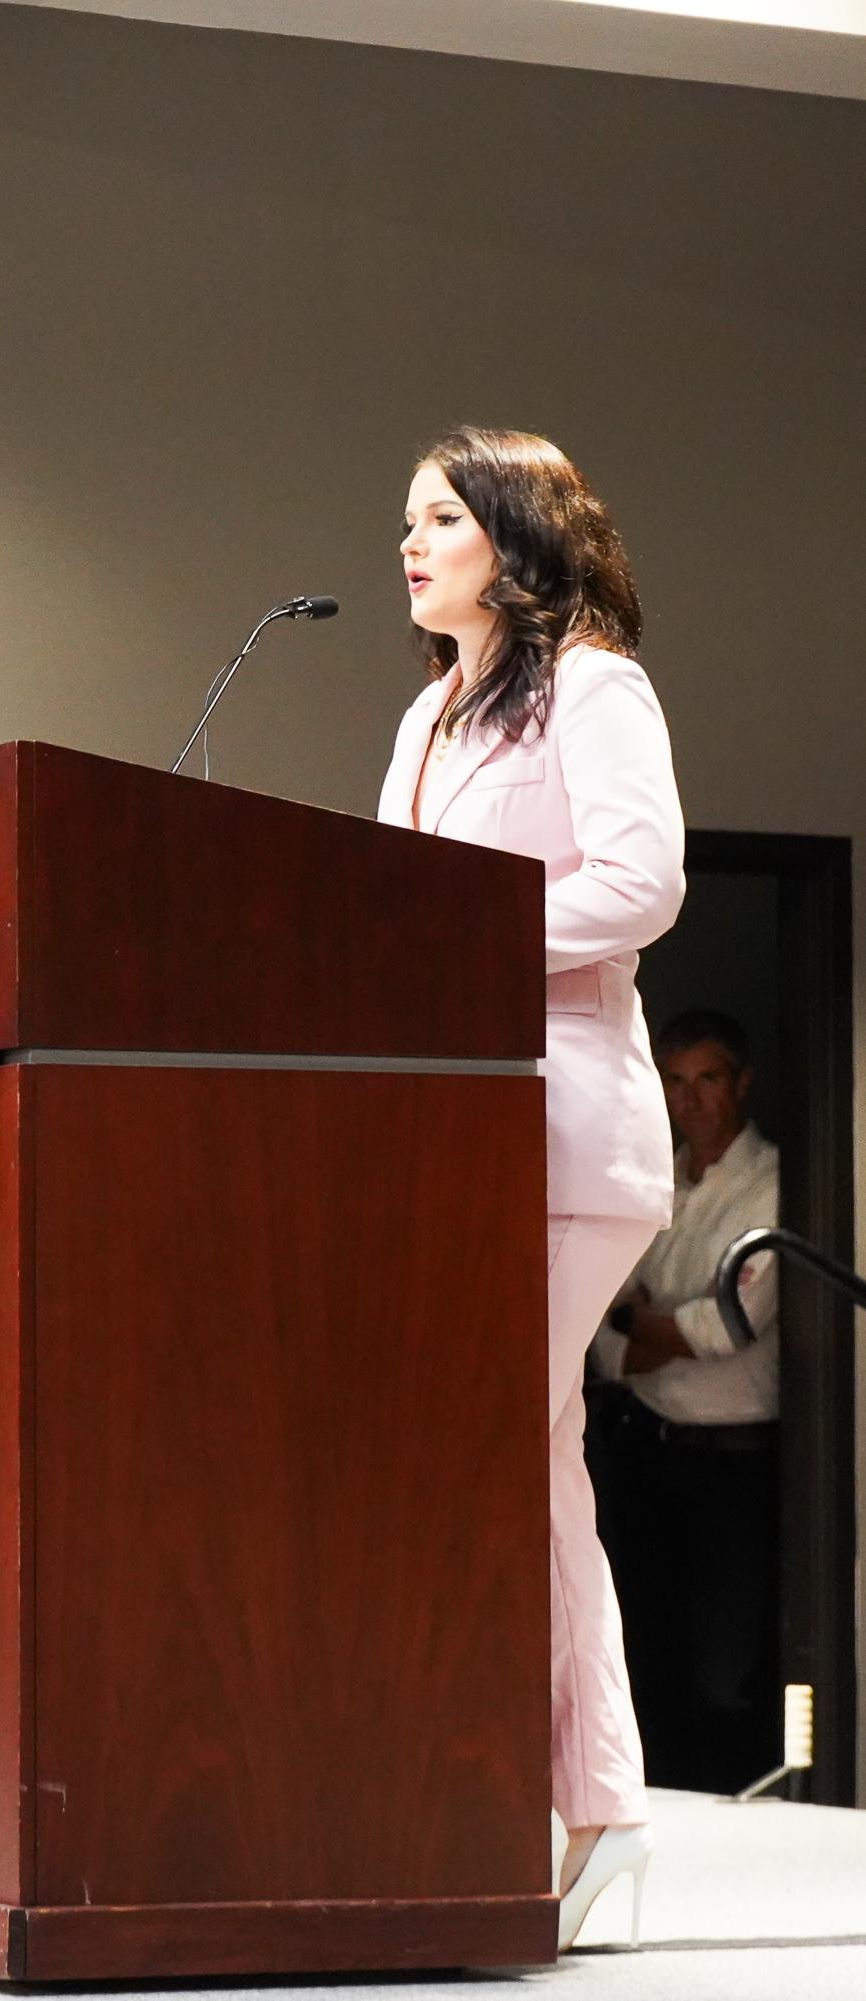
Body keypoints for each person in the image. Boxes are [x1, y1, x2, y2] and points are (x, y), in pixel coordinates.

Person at [378, 426, 684, 1950]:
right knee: (523, 1457)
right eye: (405, 522)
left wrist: (455, 941)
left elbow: (642, 880)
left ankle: (591, 1802)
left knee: (509, 1449)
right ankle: (594, 1805)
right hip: (450, 1135)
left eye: (438, 516)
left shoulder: (595, 686)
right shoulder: (424, 717)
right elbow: (376, 908)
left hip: (567, 1133)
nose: (410, 542)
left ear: (513, 532)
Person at [588, 1010, 780, 1795]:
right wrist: (638, 1327)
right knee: (641, 1650)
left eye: (706, 1078)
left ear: (739, 1082)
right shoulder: (652, 1175)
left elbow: (722, 1329)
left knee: (721, 1665)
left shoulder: (773, 1181)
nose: (689, 1099)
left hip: (731, 1459)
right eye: (673, 1081)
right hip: (642, 1443)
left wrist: (636, 1319)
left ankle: (735, 1810)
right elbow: (598, 1312)